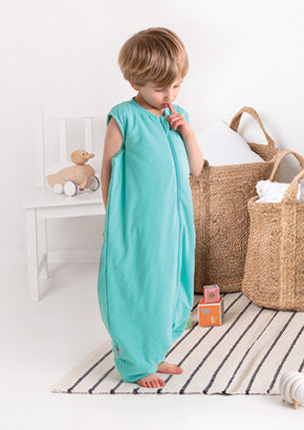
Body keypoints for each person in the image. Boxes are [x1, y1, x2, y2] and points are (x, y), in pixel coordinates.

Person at [97, 27, 205, 389]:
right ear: (133, 82)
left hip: (175, 223)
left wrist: (186, 132)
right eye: (161, 89)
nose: (169, 95)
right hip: (138, 224)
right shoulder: (123, 117)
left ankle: (154, 350)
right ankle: (133, 363)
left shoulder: (178, 115)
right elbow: (109, 168)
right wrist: (114, 219)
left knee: (169, 286)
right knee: (139, 287)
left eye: (176, 86)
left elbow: (197, 168)